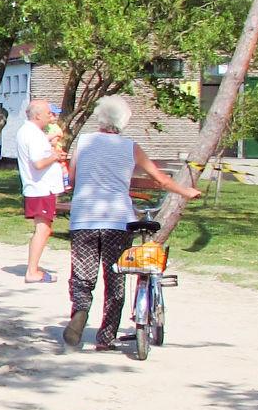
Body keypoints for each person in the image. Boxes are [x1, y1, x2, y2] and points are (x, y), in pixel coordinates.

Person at [62, 96, 200, 351]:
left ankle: (80, 312)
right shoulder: (131, 147)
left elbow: (71, 177)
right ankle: (106, 337)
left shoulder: (84, 142)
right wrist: (186, 191)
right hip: (118, 219)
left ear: (100, 117)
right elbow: (160, 180)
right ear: (123, 121)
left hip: (84, 217)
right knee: (116, 276)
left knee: (83, 274)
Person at [15, 99, 67, 285]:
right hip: (41, 188)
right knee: (43, 230)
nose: (50, 117)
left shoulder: (29, 132)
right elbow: (38, 163)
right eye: (47, 113)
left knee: (43, 228)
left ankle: (33, 267)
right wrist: (54, 156)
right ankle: (32, 271)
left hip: (39, 188)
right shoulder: (33, 135)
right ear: (37, 115)